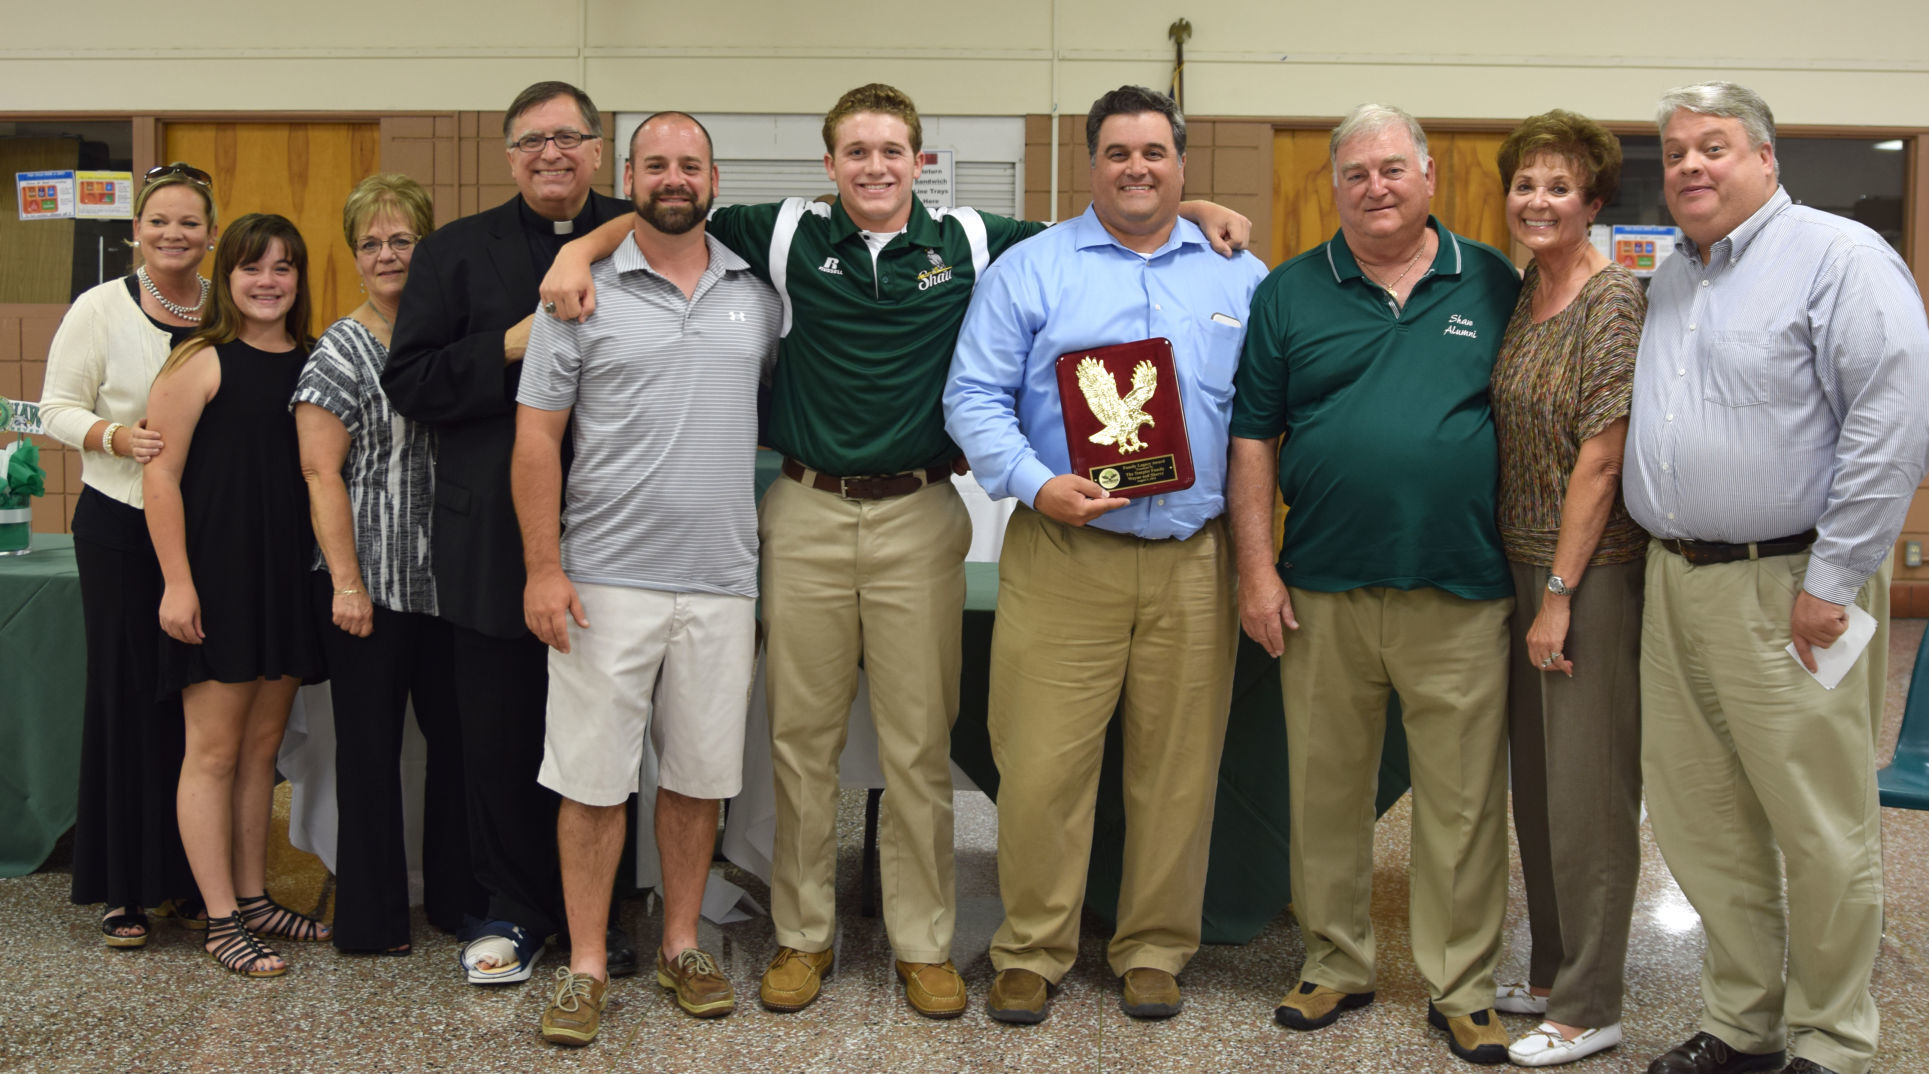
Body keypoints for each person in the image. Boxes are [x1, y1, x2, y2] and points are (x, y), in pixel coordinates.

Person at [539, 82, 1250, 1018]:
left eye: (892, 152)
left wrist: (1195, 208)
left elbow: (1111, 211)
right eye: (856, 153)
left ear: (922, 162)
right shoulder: (785, 231)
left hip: (920, 513)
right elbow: (665, 211)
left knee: (918, 747)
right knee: (798, 743)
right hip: (804, 511)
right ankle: (803, 938)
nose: (875, 167)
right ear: (828, 166)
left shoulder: (976, 240)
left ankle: (923, 944)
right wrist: (581, 249)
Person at [1625, 81, 1929, 1074]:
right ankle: (1741, 1022)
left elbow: (1892, 421)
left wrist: (1835, 578)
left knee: (1820, 824)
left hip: (1792, 585)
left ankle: (1834, 1038)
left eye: (1714, 147)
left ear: (1766, 158)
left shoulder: (1839, 259)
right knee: (1703, 821)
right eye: (1674, 153)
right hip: (1678, 587)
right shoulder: (1674, 275)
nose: (1691, 167)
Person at [945, 84, 1265, 1025]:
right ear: (1092, 164)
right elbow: (973, 397)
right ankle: (1032, 948)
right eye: (1118, 152)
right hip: (1063, 550)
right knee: (1041, 764)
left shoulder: (1236, 277)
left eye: (1155, 152)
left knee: (1176, 767)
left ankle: (1155, 947)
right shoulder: (1029, 270)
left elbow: (1265, 412)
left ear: (1180, 163)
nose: (1137, 168)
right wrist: (1034, 481)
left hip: (1192, 559)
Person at [1227, 103, 1521, 1066]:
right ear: (1333, 186)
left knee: (1463, 799)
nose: (1375, 187)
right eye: (1355, 174)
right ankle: (1334, 960)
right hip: (1320, 588)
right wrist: (1256, 568)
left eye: (1392, 169)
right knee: (1323, 788)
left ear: (1428, 176)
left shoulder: (1490, 280)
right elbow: (1251, 438)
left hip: (1462, 584)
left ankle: (1464, 983)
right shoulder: (1288, 294)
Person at [515, 112, 781, 1045]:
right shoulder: (578, 293)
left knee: (699, 777)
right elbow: (536, 439)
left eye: (691, 164)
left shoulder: (757, 294)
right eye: (656, 164)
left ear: (715, 176)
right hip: (602, 579)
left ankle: (679, 944)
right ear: (628, 175)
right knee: (590, 782)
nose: (674, 178)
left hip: (721, 578)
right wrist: (542, 569)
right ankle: (587, 964)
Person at [380, 80, 638, 985]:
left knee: (612, 727)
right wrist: (507, 345)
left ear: (600, 150)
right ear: (507, 156)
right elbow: (407, 383)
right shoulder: (453, 254)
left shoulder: (645, 238)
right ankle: (516, 911)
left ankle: (606, 915)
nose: (551, 154)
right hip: (490, 535)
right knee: (500, 732)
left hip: (618, 532)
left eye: (569, 137)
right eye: (531, 141)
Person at [1484, 111, 1647, 1069]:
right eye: (1524, 185)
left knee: (1587, 793)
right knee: (1537, 786)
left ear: (1592, 202)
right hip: (1514, 562)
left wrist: (1557, 593)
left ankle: (1591, 1004)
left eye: (1558, 187)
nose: (1537, 201)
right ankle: (1549, 973)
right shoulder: (1521, 292)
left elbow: (1602, 457)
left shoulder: (1609, 298)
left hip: (1587, 573)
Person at [292, 174, 482, 956]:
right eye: (369, 243)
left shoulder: (450, 336)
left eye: (401, 239)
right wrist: (345, 583)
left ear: (426, 245)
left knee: (460, 749)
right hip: (365, 589)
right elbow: (318, 472)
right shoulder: (341, 349)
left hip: (453, 586)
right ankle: (370, 921)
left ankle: (456, 902)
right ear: (354, 256)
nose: (385, 254)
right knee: (369, 756)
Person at [143, 213, 328, 977]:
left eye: (283, 268)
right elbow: (159, 473)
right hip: (218, 579)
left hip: (286, 578)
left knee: (261, 752)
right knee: (213, 753)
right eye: (254, 267)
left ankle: (254, 900)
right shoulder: (200, 361)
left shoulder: (316, 361)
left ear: (299, 280)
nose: (267, 281)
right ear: (229, 278)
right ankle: (220, 918)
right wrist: (178, 583)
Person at [39, 163, 215, 949]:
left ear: (211, 233)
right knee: (126, 696)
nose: (174, 234)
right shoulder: (98, 308)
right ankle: (122, 888)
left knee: (196, 707)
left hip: (210, 535)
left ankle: (187, 877)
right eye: (160, 222)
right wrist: (114, 437)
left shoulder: (228, 307)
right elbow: (55, 409)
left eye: (190, 223)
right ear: (136, 230)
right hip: (119, 524)